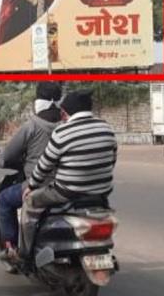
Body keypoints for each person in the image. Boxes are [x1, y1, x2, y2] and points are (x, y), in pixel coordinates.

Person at [23, 89, 118, 235]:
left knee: (30, 201)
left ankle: (24, 251)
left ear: (66, 112)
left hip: (68, 192)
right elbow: (111, 161)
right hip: (102, 191)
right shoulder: (107, 129)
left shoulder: (62, 132)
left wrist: (31, 185)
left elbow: (44, 166)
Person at [0, 81, 62, 262]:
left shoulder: (32, 126)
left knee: (3, 200)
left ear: (38, 101)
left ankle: (11, 248)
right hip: (66, 184)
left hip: (38, 185)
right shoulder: (66, 125)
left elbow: (7, 155)